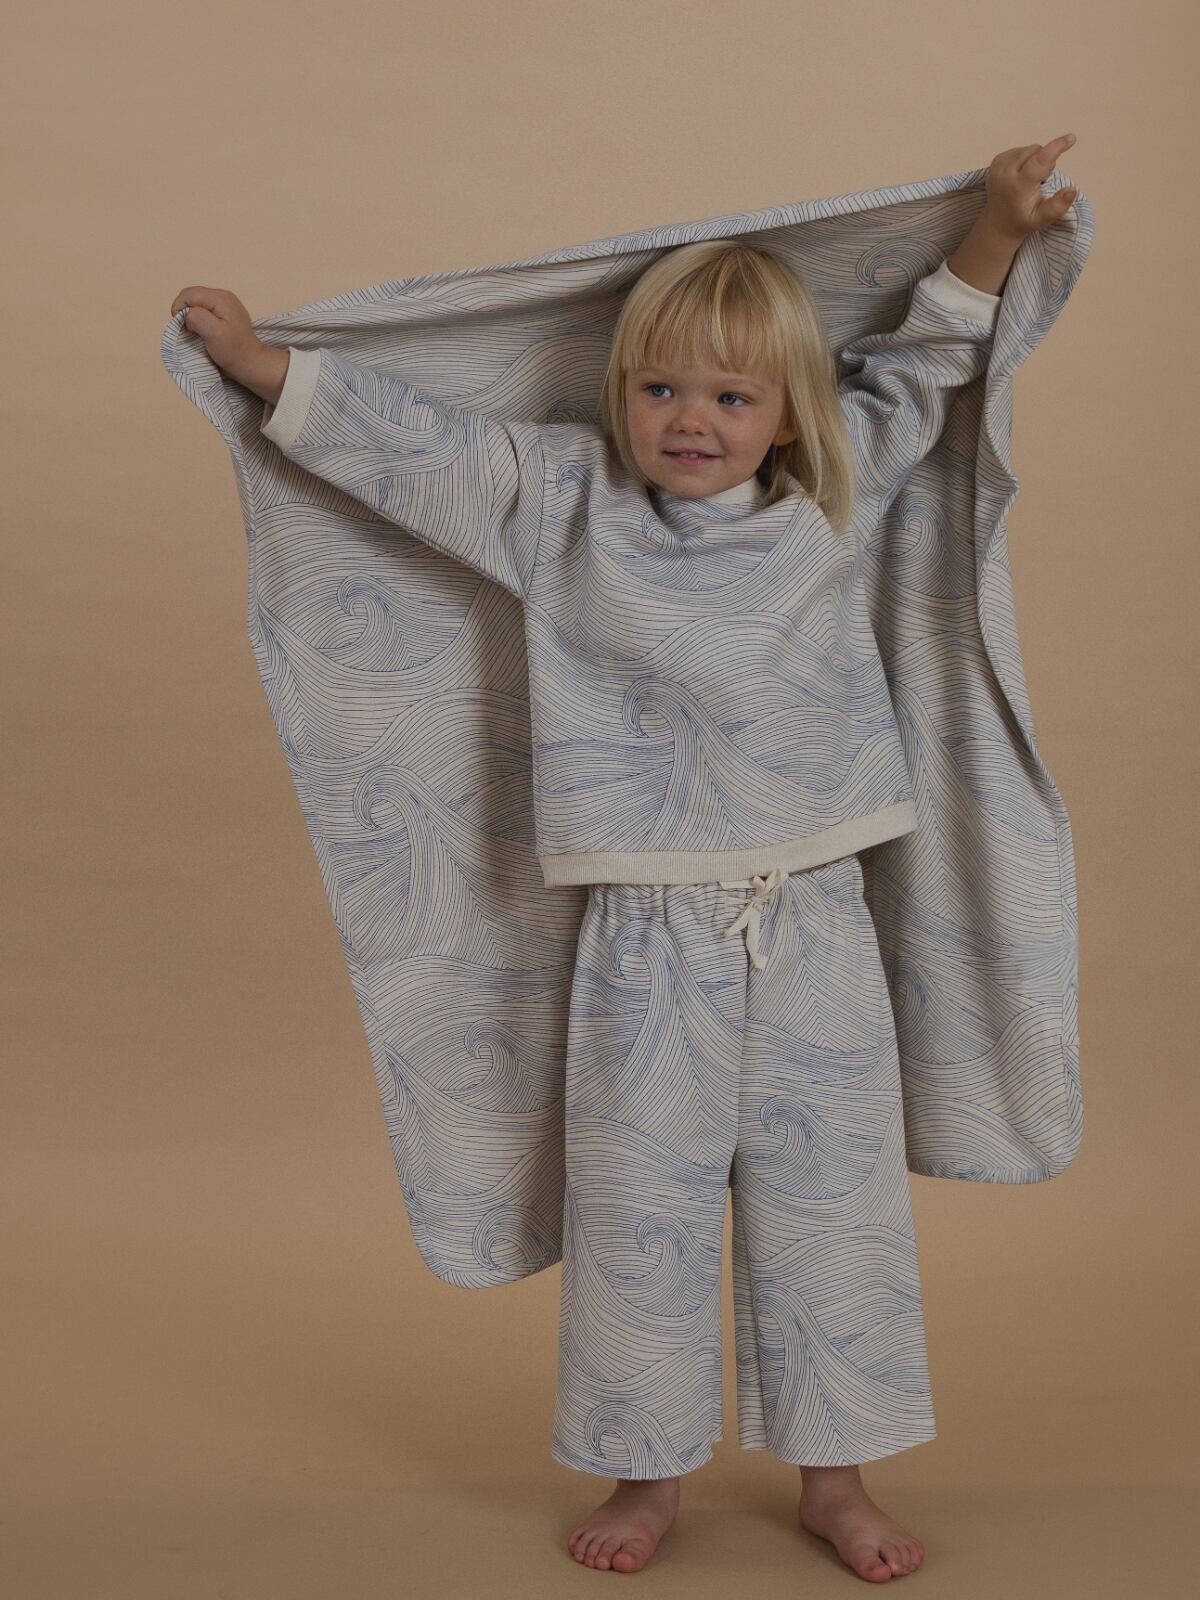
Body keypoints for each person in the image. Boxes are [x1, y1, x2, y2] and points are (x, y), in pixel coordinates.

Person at [170, 135, 1078, 1583]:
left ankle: (835, 1482)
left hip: (815, 920)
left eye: (730, 395)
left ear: (786, 413)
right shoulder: (560, 505)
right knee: (639, 1208)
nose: (690, 418)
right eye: (660, 389)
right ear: (620, 394)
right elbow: (423, 451)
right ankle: (645, 1474)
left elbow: (923, 364)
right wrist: (265, 366)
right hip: (645, 939)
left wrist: (996, 230)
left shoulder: (834, 499)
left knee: (832, 1208)